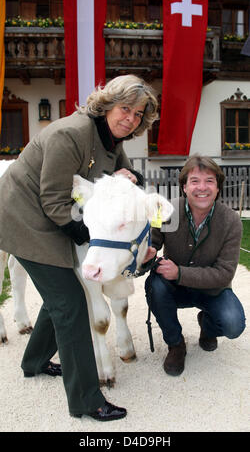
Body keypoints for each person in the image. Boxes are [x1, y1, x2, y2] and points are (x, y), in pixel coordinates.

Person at [0, 74, 158, 419]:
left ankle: (34, 361)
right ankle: (88, 400)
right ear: (108, 106)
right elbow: (53, 199)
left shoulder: (111, 138)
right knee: (72, 305)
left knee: (61, 296)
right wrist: (92, 237)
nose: (130, 119)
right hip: (24, 219)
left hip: (50, 216)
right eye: (125, 109)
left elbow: (127, 173)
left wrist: (135, 179)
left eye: (137, 114)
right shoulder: (70, 134)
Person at [145, 155, 246, 376]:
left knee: (233, 325)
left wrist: (179, 272)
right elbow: (151, 242)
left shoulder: (231, 221)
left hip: (212, 290)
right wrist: (148, 252)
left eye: (209, 181)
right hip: (174, 288)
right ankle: (175, 344)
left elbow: (224, 273)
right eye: (195, 181)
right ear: (184, 186)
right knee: (154, 286)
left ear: (218, 188)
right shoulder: (166, 209)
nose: (202, 187)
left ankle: (207, 325)